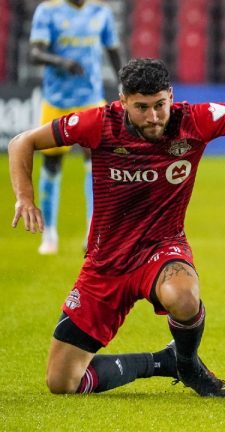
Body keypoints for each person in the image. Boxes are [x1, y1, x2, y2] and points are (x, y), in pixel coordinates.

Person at [9, 58, 225, 397]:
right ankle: (163, 362)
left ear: (171, 96)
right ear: (123, 102)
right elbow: (21, 143)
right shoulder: (99, 123)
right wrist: (24, 197)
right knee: (62, 383)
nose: (154, 116)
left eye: (160, 104)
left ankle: (188, 363)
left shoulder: (195, 120)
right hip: (105, 263)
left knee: (183, 297)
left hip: (162, 249)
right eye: (142, 107)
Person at [29, 0, 123, 254]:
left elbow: (113, 51)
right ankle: (49, 234)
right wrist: (62, 62)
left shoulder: (101, 12)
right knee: (51, 165)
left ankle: (93, 232)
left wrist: (125, 85)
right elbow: (34, 53)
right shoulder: (48, 11)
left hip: (92, 102)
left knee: (97, 166)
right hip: (57, 102)